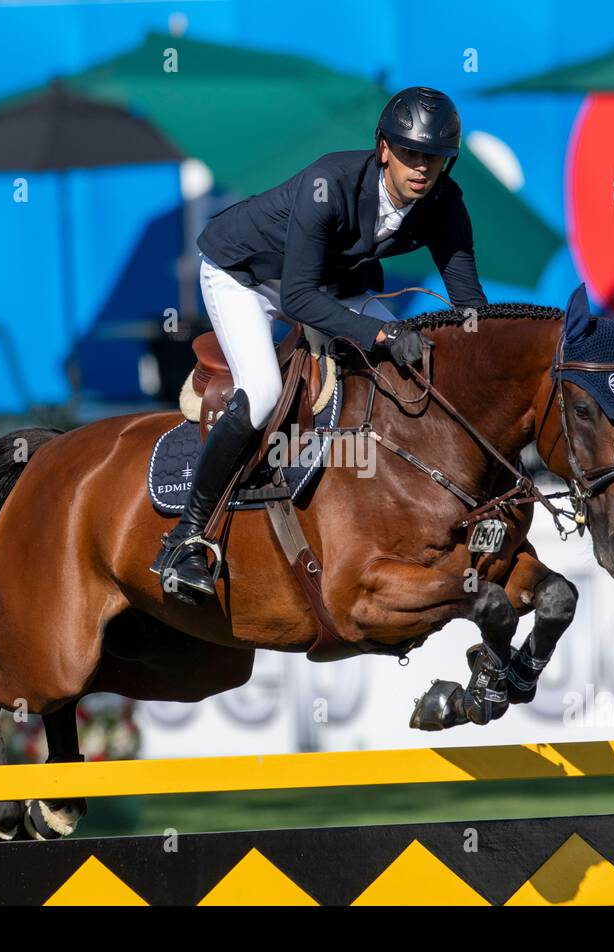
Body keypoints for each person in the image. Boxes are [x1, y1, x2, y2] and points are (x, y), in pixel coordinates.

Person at [152, 85, 489, 604]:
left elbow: (472, 311)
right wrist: (382, 333)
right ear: (383, 148)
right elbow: (299, 298)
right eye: (410, 153)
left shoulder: (445, 205)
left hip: (327, 285)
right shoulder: (328, 183)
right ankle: (185, 538)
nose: (422, 167)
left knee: (419, 366)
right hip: (244, 275)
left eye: (436, 157)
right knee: (262, 393)